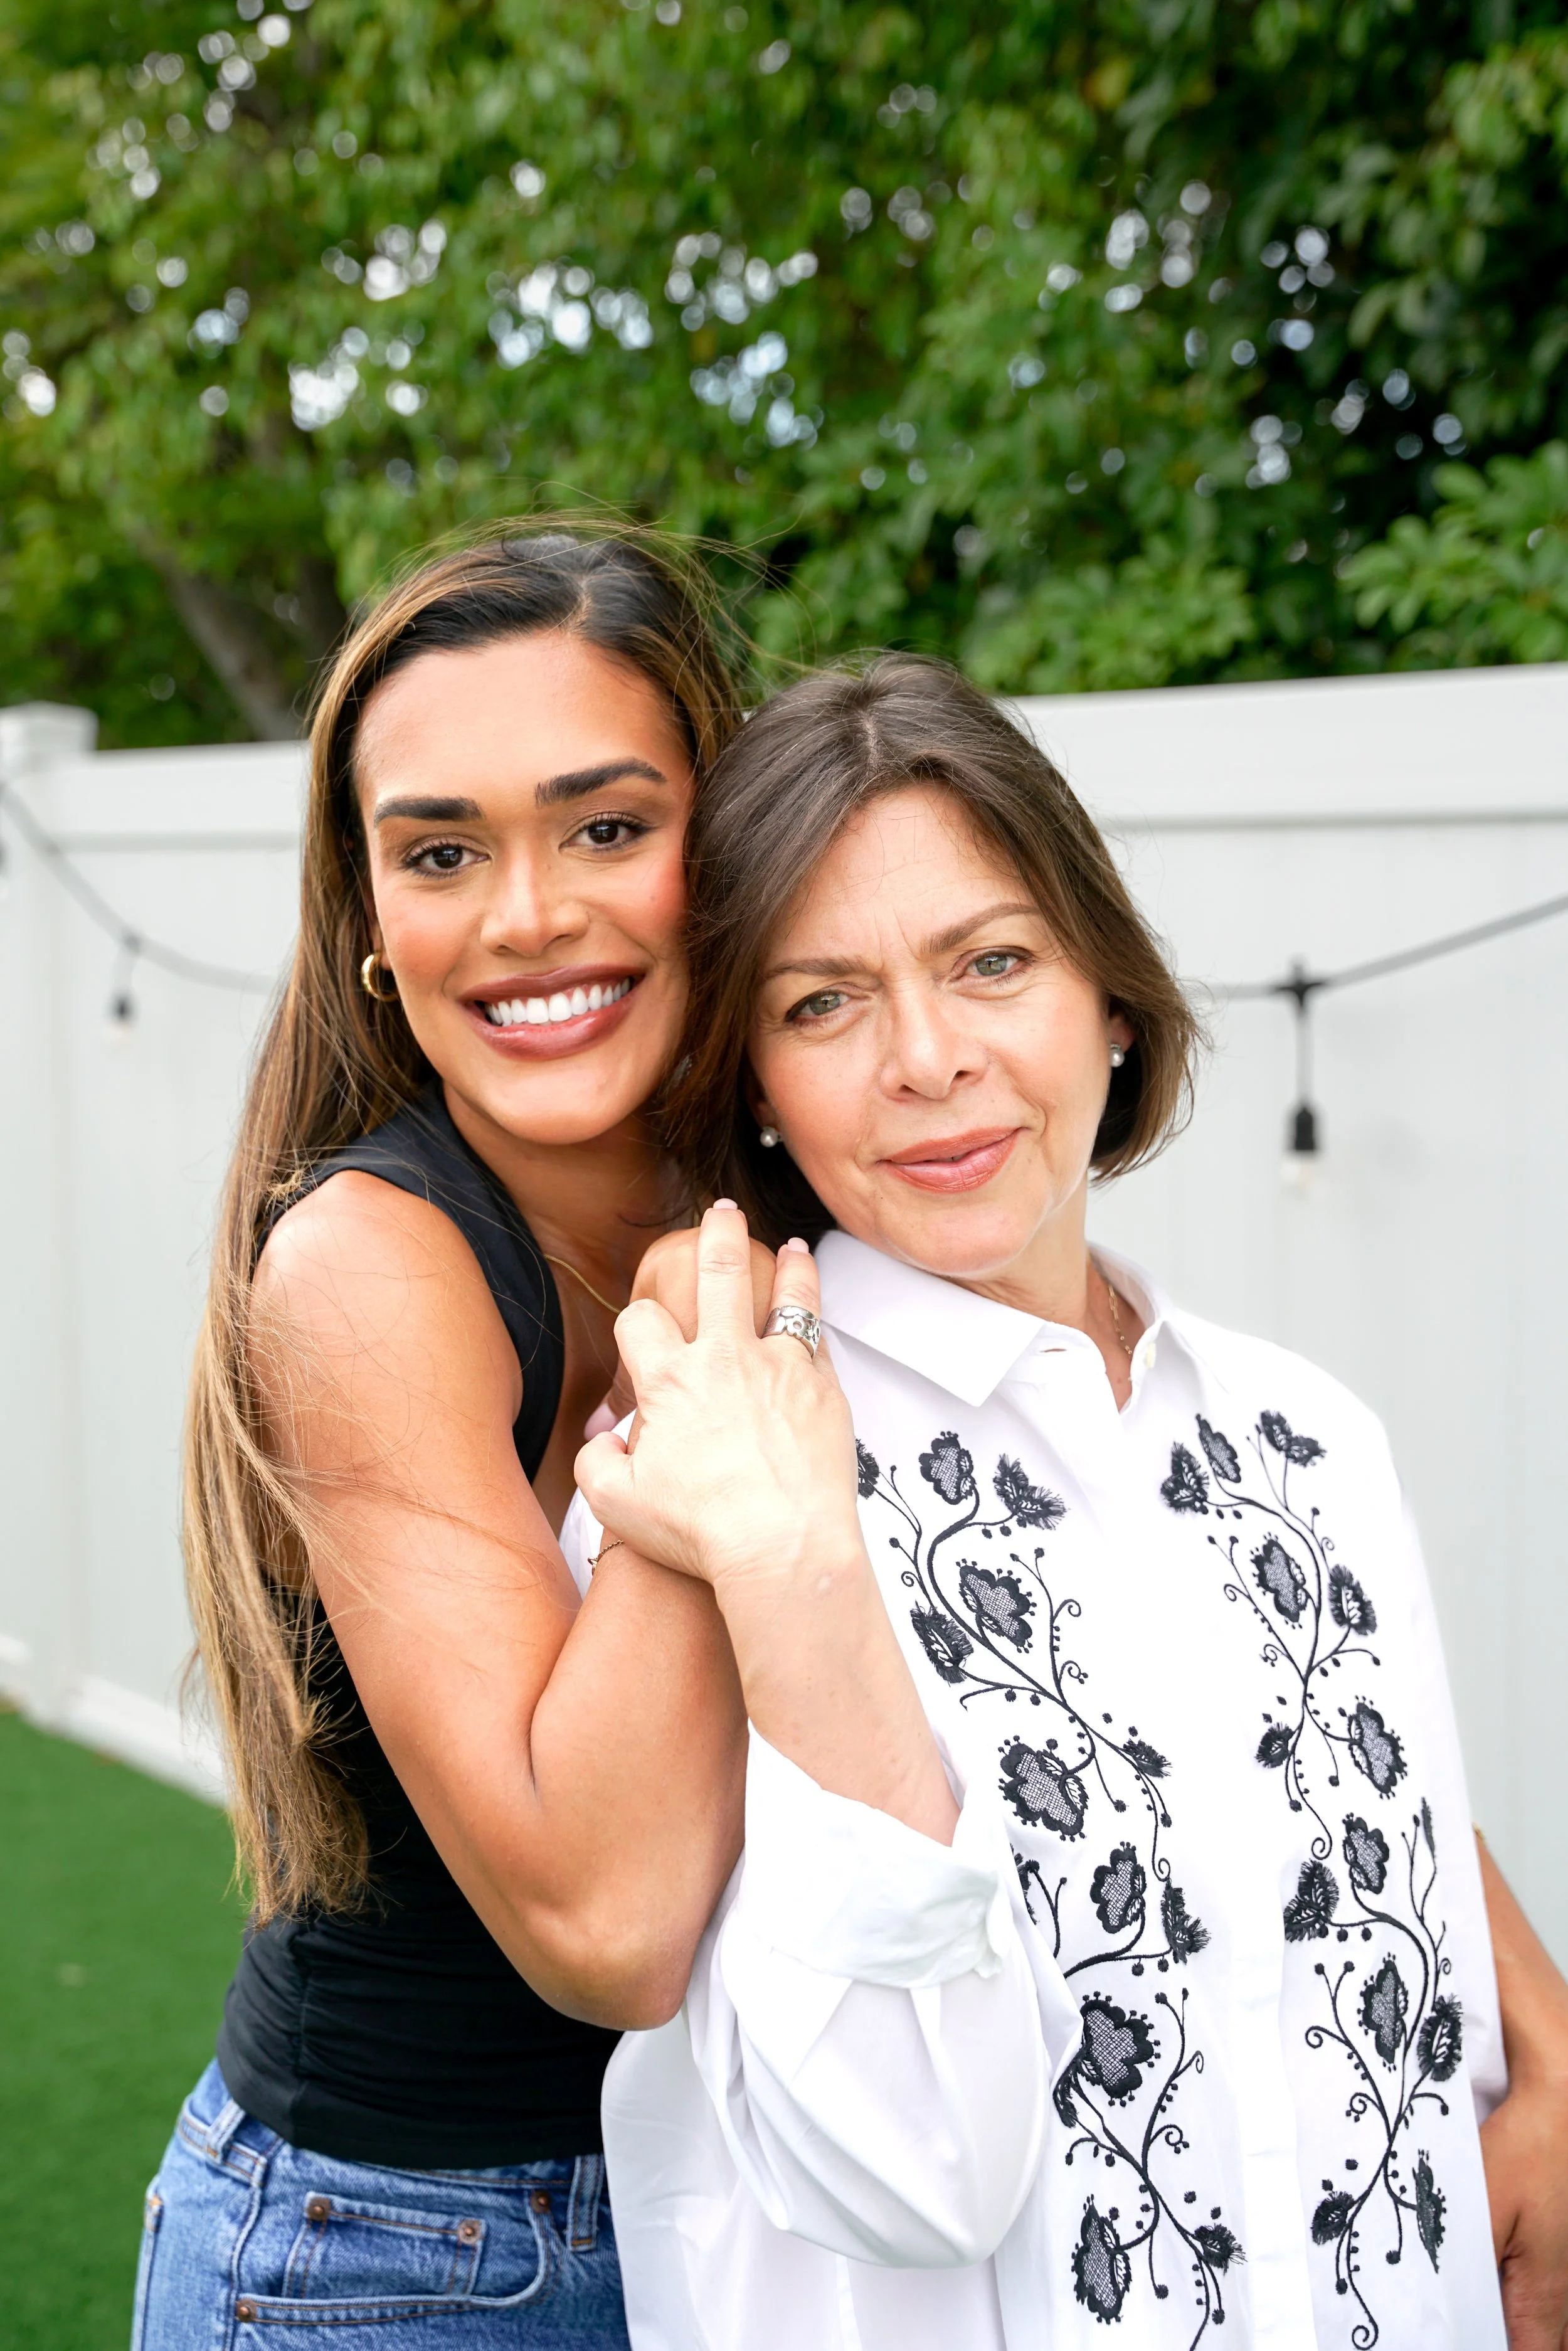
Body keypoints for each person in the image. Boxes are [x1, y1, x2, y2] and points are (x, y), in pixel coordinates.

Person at [568, 654, 1568, 2349]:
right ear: (749, 1076)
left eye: (993, 961)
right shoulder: (700, 1478)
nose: (927, 1058)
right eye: (821, 1003)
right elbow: (905, 2170)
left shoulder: (1309, 1436)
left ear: (1108, 989)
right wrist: (795, 1567)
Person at [134, 528, 756, 2348]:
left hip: (758, 2205)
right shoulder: (361, 1266)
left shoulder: (820, 1132)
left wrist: (1526, 2011)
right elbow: (611, 1918)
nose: (526, 914)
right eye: (440, 851)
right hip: (414, 2249)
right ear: (370, 922)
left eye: (608, 826)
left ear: (725, 845)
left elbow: (1156, 1503)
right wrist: (715, 1367)